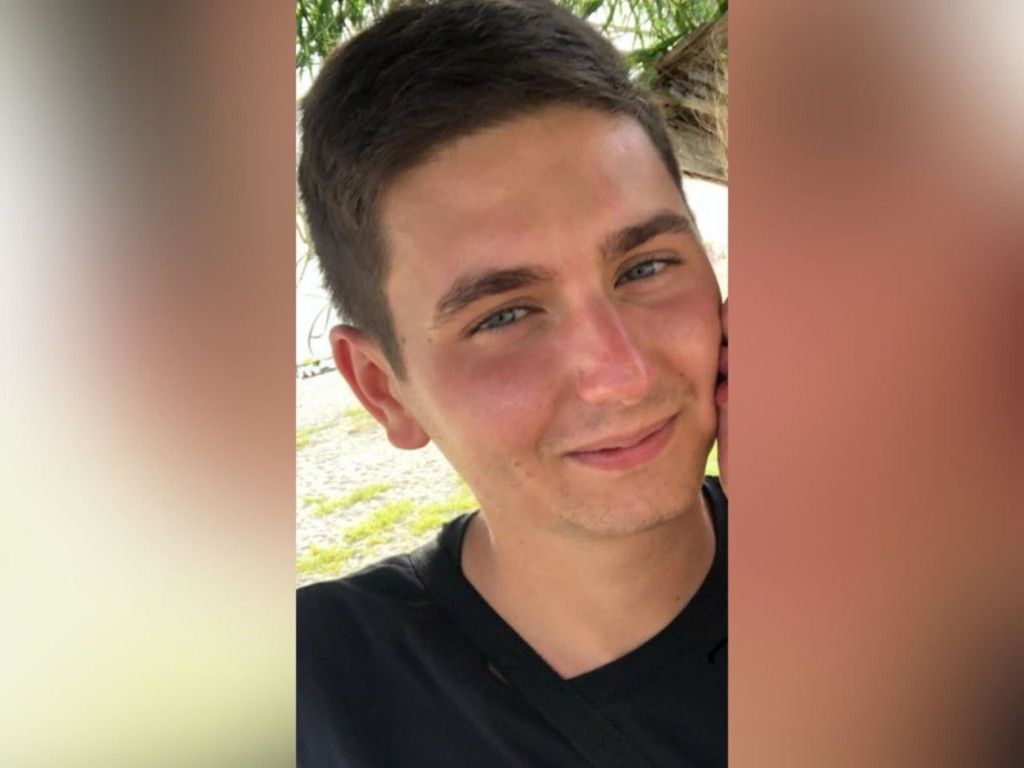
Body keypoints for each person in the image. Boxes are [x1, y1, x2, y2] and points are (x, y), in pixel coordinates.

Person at [296, 1, 728, 765]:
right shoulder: (316, 695)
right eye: (503, 316)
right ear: (382, 388)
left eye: (646, 268)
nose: (621, 376)